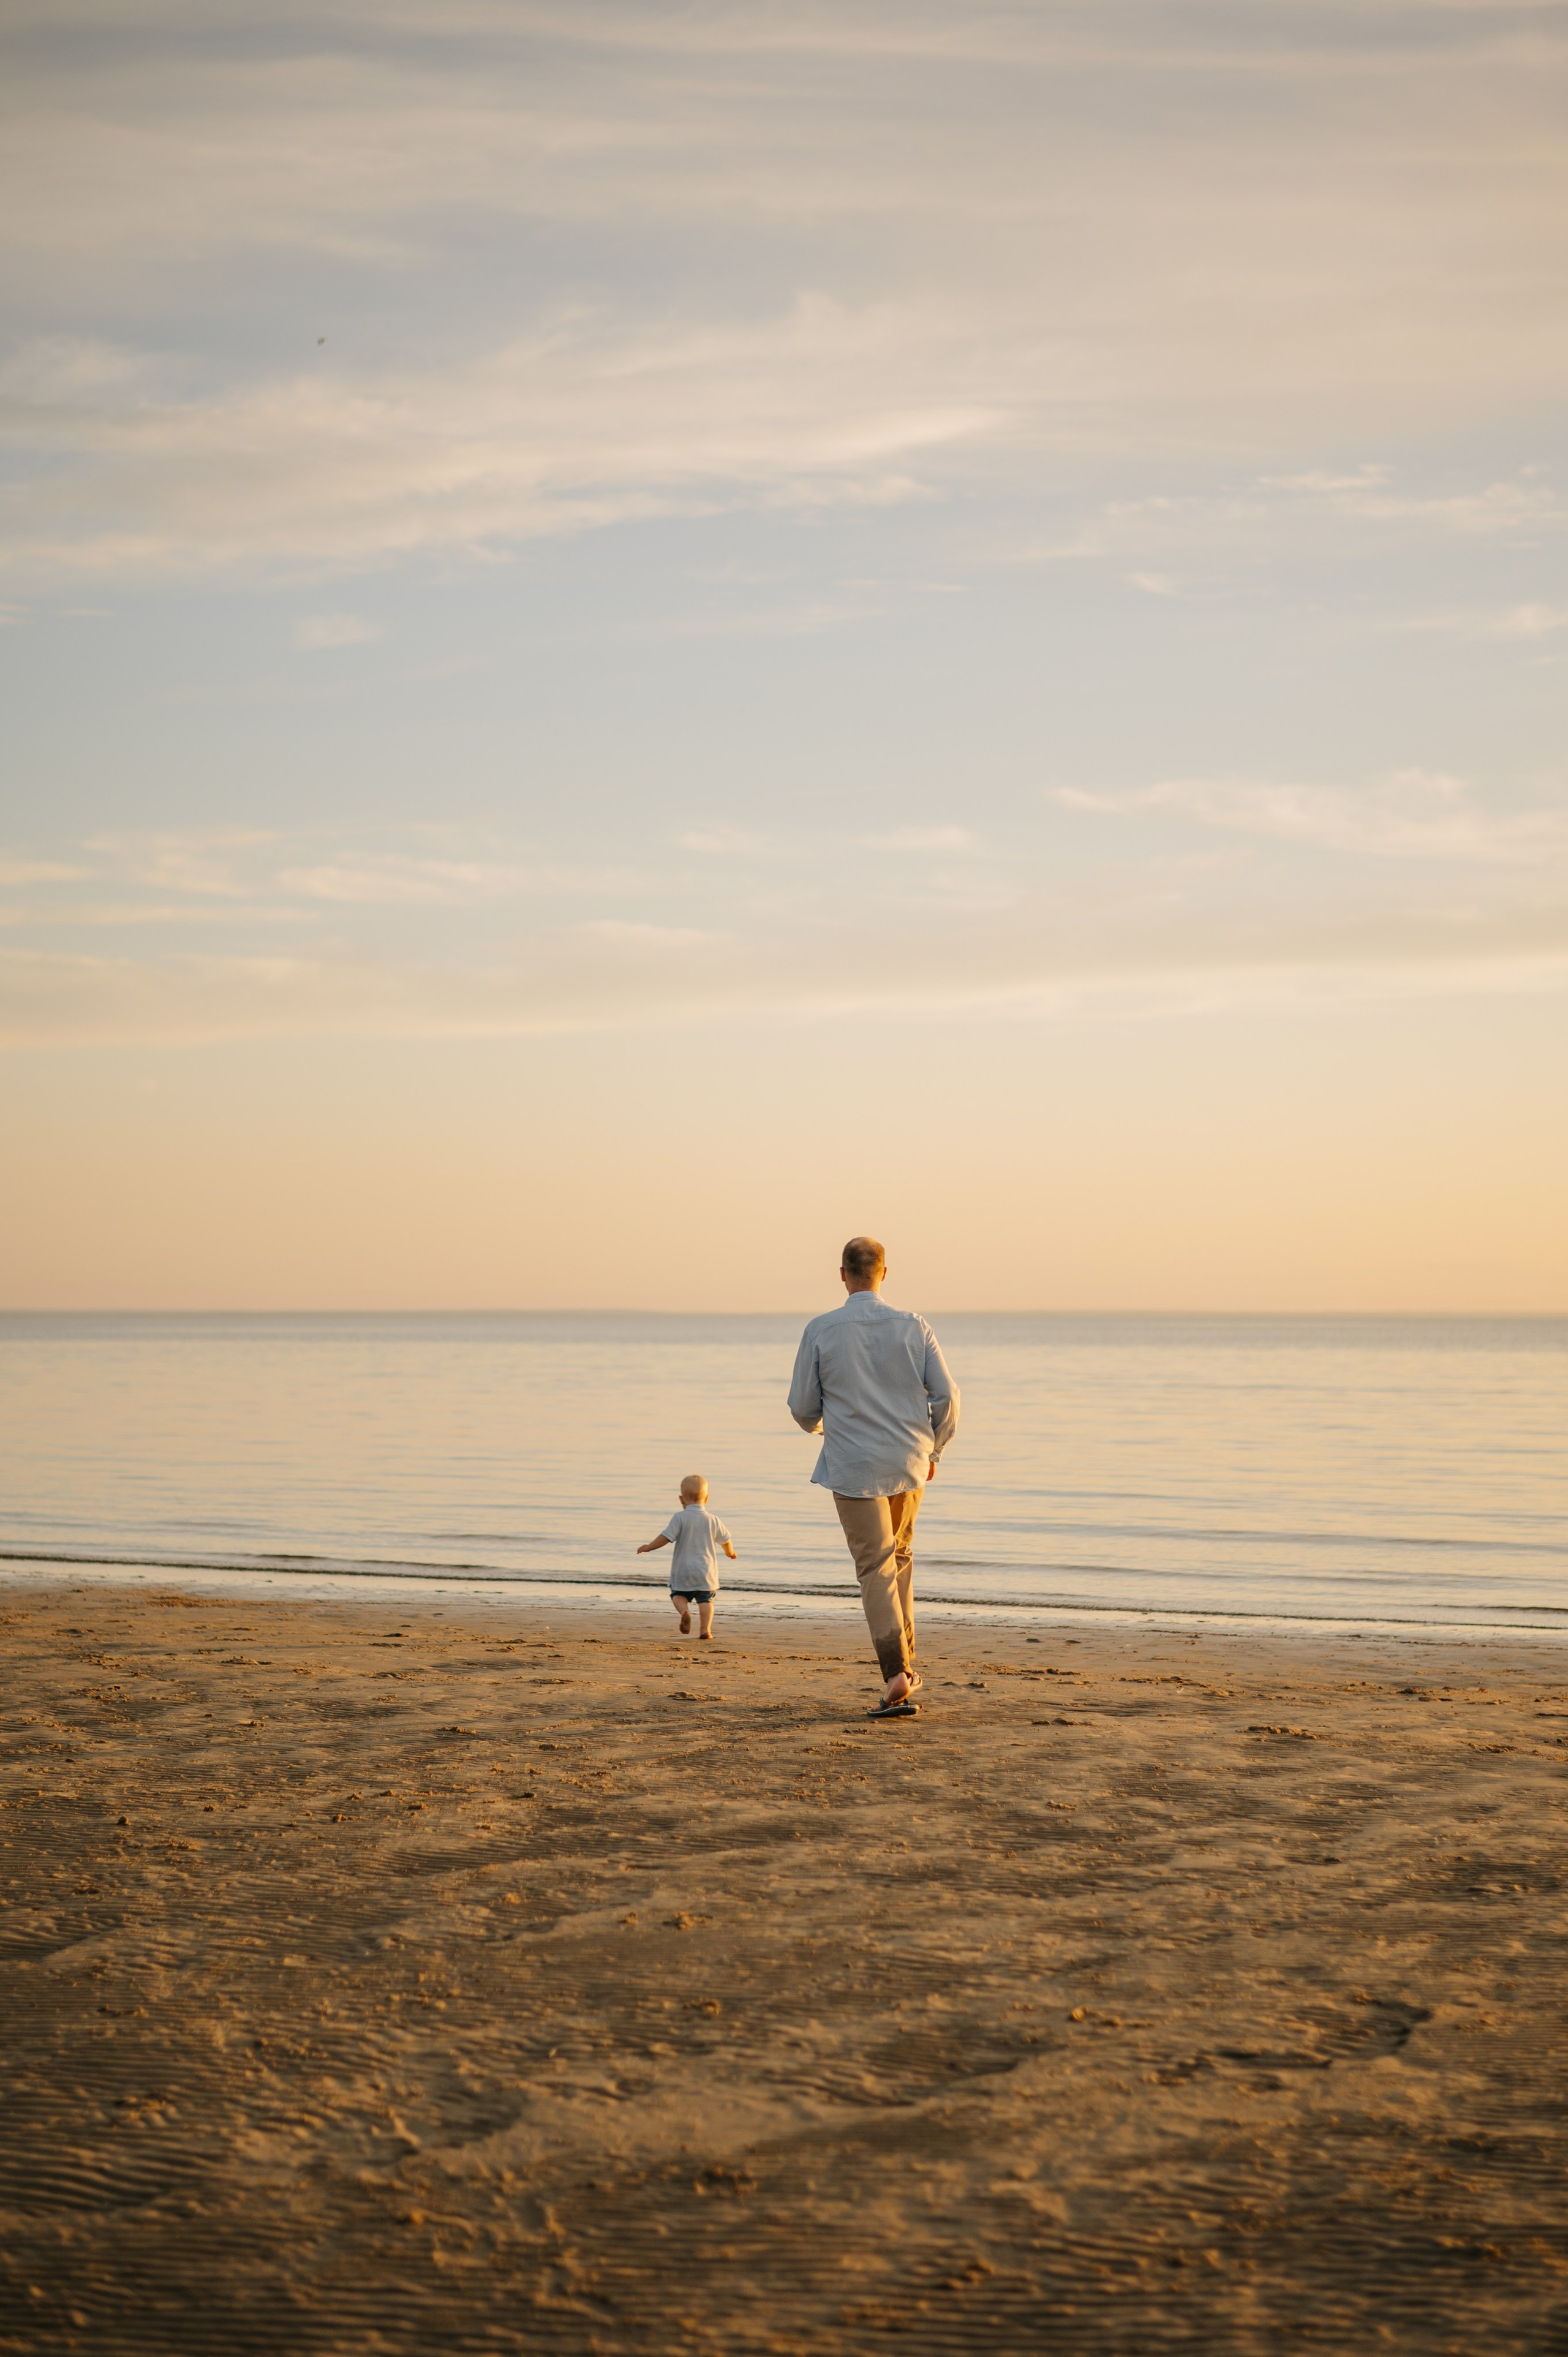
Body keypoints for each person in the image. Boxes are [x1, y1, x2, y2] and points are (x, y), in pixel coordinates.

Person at [787, 1237, 959, 1718]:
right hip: (909, 1462)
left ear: (843, 1274)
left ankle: (896, 1673)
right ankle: (907, 1663)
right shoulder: (914, 1326)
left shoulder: (822, 1329)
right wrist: (935, 1449)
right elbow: (948, 1399)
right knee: (899, 1558)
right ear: (885, 1273)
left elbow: (802, 1408)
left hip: (854, 1464)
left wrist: (825, 1424)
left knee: (875, 1569)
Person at [636, 1474, 736, 1640]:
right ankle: (705, 1630)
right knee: (706, 1601)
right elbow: (726, 1540)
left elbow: (666, 1537)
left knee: (678, 1596)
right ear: (707, 1498)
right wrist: (730, 1553)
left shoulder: (680, 1518)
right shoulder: (713, 1520)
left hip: (683, 1571)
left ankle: (684, 1612)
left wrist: (649, 1547)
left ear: (681, 1499)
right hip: (706, 1573)